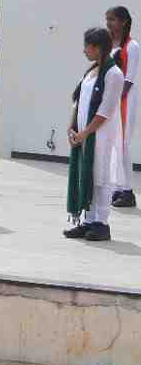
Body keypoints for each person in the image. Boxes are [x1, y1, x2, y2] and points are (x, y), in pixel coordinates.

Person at [67, 27, 127, 242]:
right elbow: (77, 101)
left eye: (87, 46)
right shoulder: (91, 71)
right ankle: (88, 220)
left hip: (101, 135)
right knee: (87, 175)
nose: (84, 50)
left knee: (101, 178)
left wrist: (85, 132)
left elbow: (106, 111)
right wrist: (72, 127)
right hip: (84, 134)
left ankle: (101, 223)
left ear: (98, 48)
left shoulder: (114, 74)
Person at [106, 7, 140, 208]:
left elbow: (129, 79)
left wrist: (115, 99)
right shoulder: (109, 45)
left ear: (124, 22)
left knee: (123, 145)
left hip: (125, 100)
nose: (108, 23)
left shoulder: (132, 46)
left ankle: (128, 191)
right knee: (113, 145)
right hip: (112, 101)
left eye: (112, 19)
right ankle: (117, 188)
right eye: (107, 19)